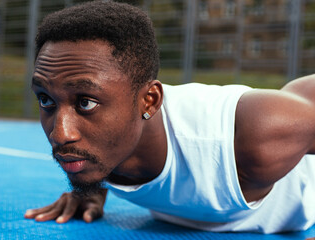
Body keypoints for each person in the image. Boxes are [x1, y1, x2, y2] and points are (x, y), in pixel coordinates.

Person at [24, 1, 315, 234]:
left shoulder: (252, 136)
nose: (60, 134)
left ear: (148, 102)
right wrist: (91, 187)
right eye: (46, 99)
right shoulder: (101, 144)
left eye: (86, 102)